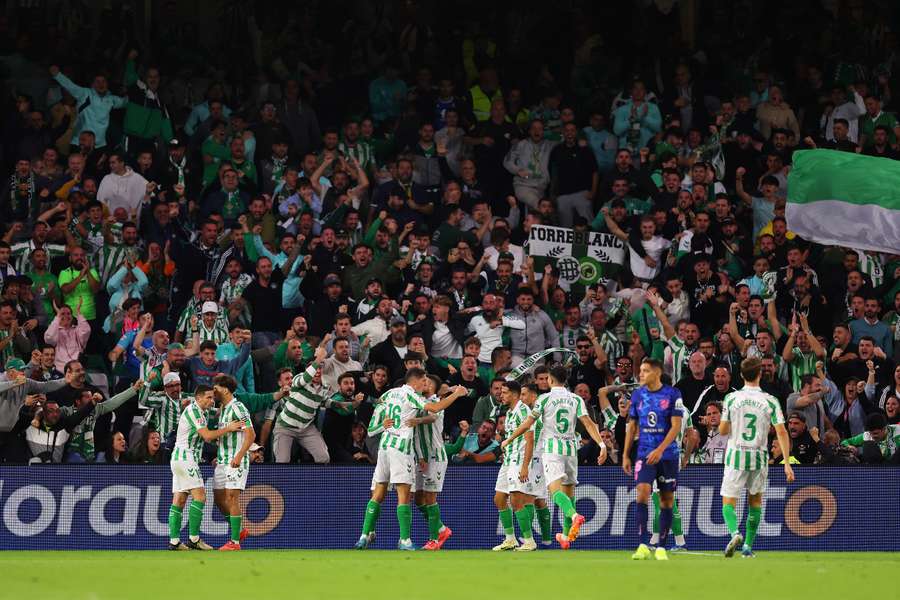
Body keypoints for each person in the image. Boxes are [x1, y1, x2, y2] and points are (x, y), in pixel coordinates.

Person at [354, 369, 465, 550]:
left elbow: (373, 426)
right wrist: (457, 394)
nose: (425, 385)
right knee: (404, 496)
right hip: (401, 450)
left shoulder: (389, 393)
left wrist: (383, 426)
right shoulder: (412, 395)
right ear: (417, 381)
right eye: (424, 382)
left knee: (378, 492)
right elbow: (435, 408)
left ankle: (364, 535)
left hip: (384, 447)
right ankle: (405, 540)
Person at [502, 365, 607, 550]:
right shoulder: (575, 399)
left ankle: (575, 516)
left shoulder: (544, 399)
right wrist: (602, 445)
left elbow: (528, 423)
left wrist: (509, 439)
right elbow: (589, 423)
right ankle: (565, 537)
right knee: (569, 493)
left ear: (550, 380)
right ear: (565, 380)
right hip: (571, 450)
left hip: (552, 450)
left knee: (555, 492)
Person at [719, 357, 795, 558]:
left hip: (736, 455)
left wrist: (728, 422)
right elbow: (782, 432)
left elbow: (723, 430)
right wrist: (786, 463)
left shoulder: (731, 399)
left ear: (741, 375)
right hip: (759, 457)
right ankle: (747, 548)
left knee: (728, 502)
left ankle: (735, 533)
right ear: (760, 374)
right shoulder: (770, 400)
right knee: (755, 502)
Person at [622, 358, 684, 561]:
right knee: (642, 492)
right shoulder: (638, 395)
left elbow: (676, 426)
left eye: (645, 370)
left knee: (666, 499)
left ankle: (661, 547)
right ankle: (642, 544)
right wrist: (625, 454)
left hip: (667, 455)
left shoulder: (673, 394)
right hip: (644, 454)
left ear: (656, 373)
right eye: (640, 370)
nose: (640, 374)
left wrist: (660, 449)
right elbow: (632, 426)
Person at [167, 385, 243, 551]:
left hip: (178, 459)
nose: (211, 400)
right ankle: (194, 539)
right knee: (200, 497)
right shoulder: (194, 411)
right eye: (208, 397)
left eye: (212, 397)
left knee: (179, 499)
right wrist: (229, 428)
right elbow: (207, 436)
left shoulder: (203, 410)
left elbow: (218, 410)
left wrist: (224, 398)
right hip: (186, 458)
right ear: (198, 398)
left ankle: (174, 541)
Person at [211, 374, 255, 551]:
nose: (214, 390)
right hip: (222, 461)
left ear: (226, 389)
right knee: (219, 499)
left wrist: (239, 456)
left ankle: (234, 542)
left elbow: (250, 434)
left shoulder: (238, 408)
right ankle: (240, 529)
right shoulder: (224, 408)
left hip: (235, 461)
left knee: (231, 497)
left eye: (216, 387)